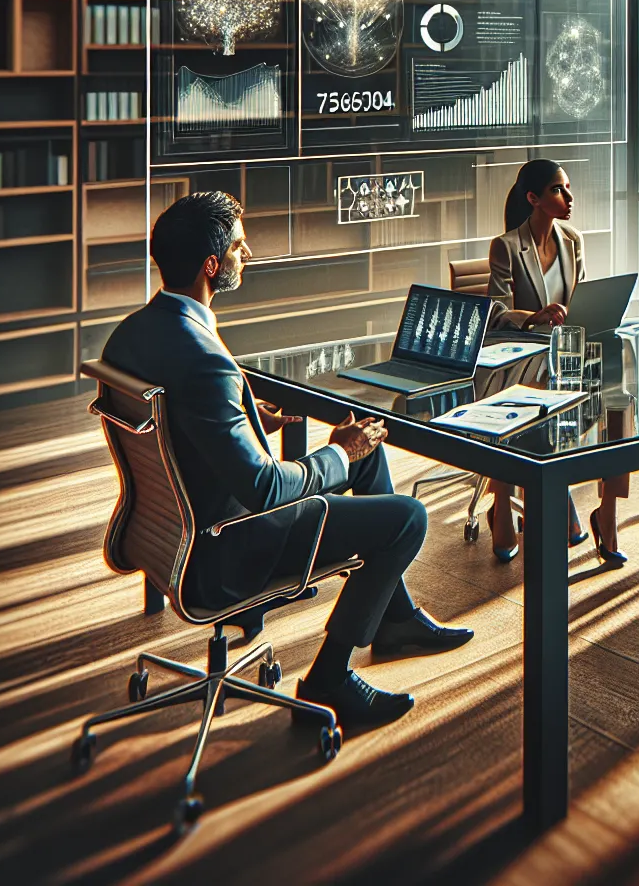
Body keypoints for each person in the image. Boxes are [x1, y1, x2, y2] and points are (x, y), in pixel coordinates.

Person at [100, 191, 474, 727]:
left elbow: (180, 414)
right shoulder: (206, 361)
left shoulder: (132, 333)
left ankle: (396, 617)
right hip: (226, 550)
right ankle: (329, 678)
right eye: (239, 246)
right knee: (407, 517)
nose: (247, 253)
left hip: (167, 532)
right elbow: (264, 489)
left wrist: (244, 416)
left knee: (364, 455)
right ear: (212, 266)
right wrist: (338, 452)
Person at [481, 159, 624, 566]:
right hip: (520, 356)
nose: (569, 197)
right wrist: (533, 316)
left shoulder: (573, 239)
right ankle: (504, 503)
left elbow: (583, 299)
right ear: (533, 198)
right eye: (558, 190)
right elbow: (494, 311)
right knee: (537, 404)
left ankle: (608, 511)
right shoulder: (507, 245)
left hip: (567, 353)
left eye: (567, 188)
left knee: (618, 405)